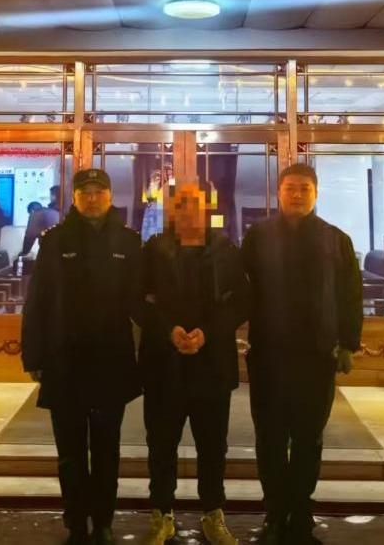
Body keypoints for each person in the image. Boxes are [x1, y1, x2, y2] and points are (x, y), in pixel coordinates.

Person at [22, 168, 144, 545]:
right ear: (74, 198)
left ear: (110, 196)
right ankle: (76, 523)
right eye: (85, 193)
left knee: (107, 449)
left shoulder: (129, 242)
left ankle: (103, 521)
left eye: (98, 192)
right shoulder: (55, 241)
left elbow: (141, 303)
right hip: (65, 361)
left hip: (111, 361)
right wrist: (34, 356)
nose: (92, 199)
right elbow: (37, 301)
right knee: (70, 452)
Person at [242, 163, 362, 544]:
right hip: (269, 356)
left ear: (316, 193)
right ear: (278, 192)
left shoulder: (335, 240)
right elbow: (240, 289)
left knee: (309, 436)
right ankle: (275, 511)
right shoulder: (258, 237)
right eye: (290, 188)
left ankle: (301, 508)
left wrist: (348, 343)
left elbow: (350, 295)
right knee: (270, 437)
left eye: (304, 188)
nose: (297, 194)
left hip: (316, 356)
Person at [139, 181, 248, 545]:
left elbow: (241, 301)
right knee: (161, 445)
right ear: (170, 210)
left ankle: (213, 513)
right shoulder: (153, 250)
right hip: (163, 365)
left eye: (193, 202)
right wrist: (168, 330)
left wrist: (208, 332)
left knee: (213, 446)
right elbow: (135, 300)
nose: (187, 210)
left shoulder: (225, 250)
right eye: (179, 203)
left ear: (207, 206)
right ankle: (162, 514)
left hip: (212, 365)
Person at [20, 191, 61, 264]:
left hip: (51, 251)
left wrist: (23, 253)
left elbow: (29, 237)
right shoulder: (56, 211)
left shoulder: (36, 214)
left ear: (31, 211)